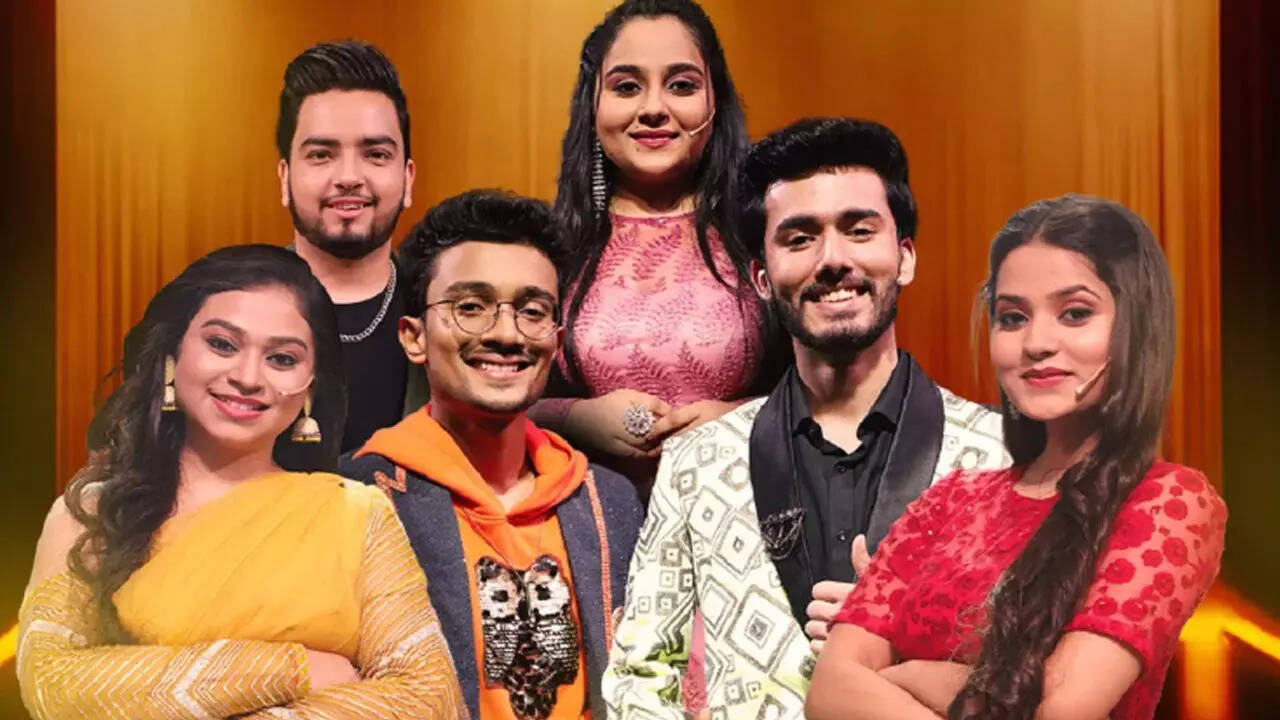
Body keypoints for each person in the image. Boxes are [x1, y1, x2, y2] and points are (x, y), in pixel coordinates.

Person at [602, 117, 1009, 718]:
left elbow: (1051, 678)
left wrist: (915, 641)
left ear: (904, 258)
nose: (833, 259)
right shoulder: (698, 463)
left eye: (859, 230)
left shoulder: (1001, 457)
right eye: (799, 239)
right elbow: (639, 675)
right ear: (763, 278)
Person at [807, 194, 1228, 720]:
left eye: (1075, 314)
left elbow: (1061, 709)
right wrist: (971, 685)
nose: (1036, 343)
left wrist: (907, 675)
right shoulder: (950, 501)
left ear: (1137, 328)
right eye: (1012, 318)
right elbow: (830, 693)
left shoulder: (1169, 502)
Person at [18, 245, 466, 719]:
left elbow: (430, 700)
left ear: (310, 388)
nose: (248, 377)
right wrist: (294, 670)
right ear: (172, 357)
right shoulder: (94, 512)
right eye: (222, 345)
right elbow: (51, 682)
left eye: (282, 359)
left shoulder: (356, 515)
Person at [341, 190, 644, 720]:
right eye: (470, 308)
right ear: (413, 337)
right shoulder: (356, 497)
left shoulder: (609, 502)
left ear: (556, 340)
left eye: (532, 311)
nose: (506, 334)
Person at [529, 0, 780, 487]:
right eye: (627, 87)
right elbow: (487, 398)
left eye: (681, 85)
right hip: (587, 507)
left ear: (715, 101)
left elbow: (834, 389)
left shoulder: (766, 231)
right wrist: (575, 418)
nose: (653, 109)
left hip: (743, 503)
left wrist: (740, 418)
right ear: (593, 105)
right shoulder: (549, 245)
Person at [276, 40, 422, 453]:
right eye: (322, 155)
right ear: (284, 178)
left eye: (375, 154)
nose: (348, 177)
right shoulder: (223, 315)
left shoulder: (446, 313)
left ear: (407, 178)